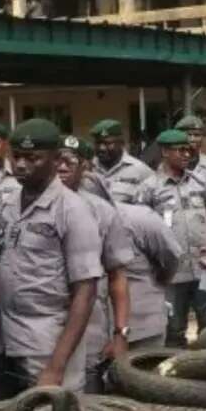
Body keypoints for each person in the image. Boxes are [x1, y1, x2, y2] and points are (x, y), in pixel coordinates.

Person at [0, 119, 102, 399]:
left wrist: (56, 367)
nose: (21, 165)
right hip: (5, 343)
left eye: (33, 158)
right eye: (16, 156)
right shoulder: (9, 205)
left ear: (56, 160)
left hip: (48, 345)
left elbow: (86, 292)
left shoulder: (72, 210)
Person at [57, 134, 136, 393]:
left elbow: (117, 276)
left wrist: (120, 334)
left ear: (85, 167)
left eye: (71, 161)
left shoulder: (102, 211)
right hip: (35, 333)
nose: (62, 166)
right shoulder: (23, 202)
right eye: (57, 159)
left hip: (89, 332)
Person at [135, 129, 206, 347]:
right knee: (173, 330)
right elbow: (139, 230)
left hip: (205, 267)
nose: (187, 154)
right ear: (165, 151)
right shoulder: (149, 188)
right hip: (171, 272)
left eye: (188, 150)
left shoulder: (200, 182)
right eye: (180, 150)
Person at [91, 119, 154, 205]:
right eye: (98, 143)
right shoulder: (87, 168)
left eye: (108, 143)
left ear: (121, 143)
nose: (101, 148)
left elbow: (156, 203)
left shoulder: (140, 170)